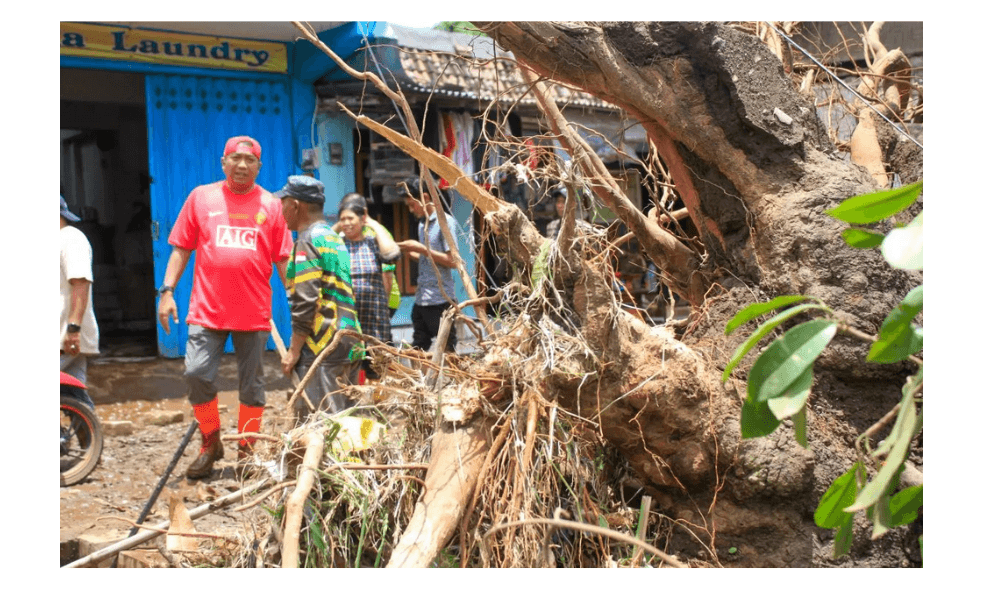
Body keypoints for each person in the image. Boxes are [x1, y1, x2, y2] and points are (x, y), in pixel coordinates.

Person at [157, 136, 293, 479]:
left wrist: (299, 298)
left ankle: (246, 452)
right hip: (207, 310)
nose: (242, 165)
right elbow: (180, 248)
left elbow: (283, 260)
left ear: (259, 167)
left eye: (250, 160)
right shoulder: (201, 198)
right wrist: (167, 291)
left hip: (254, 312)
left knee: (252, 387)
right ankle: (210, 442)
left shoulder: (271, 205)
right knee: (196, 373)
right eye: (236, 158)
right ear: (223, 162)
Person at [277, 176, 364, 419]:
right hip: (349, 337)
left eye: (283, 203)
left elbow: (306, 300)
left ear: (295, 205)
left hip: (323, 345)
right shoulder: (333, 238)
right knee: (347, 418)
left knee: (324, 421)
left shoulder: (307, 241)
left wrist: (293, 350)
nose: (281, 210)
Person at [337, 193, 400, 380]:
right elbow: (319, 246)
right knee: (349, 370)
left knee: (379, 367)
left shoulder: (373, 242)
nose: (347, 223)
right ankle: (356, 405)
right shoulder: (338, 244)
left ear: (361, 218)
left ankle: (381, 405)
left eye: (351, 218)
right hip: (348, 320)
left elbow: (392, 253)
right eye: (342, 219)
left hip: (375, 319)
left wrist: (371, 222)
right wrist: (337, 226)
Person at [395, 176, 462, 353]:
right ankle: (422, 380)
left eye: (412, 205)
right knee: (419, 346)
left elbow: (453, 261)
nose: (410, 210)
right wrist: (409, 252)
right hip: (422, 297)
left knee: (447, 347)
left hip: (440, 299)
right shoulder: (422, 224)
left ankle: (453, 380)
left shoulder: (444, 222)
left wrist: (422, 249)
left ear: (425, 197)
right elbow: (430, 259)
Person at [60, 196, 100, 384]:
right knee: (74, 397)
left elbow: (80, 284)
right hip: (63, 336)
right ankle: (85, 415)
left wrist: (73, 329)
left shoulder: (71, 239)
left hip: (65, 336)